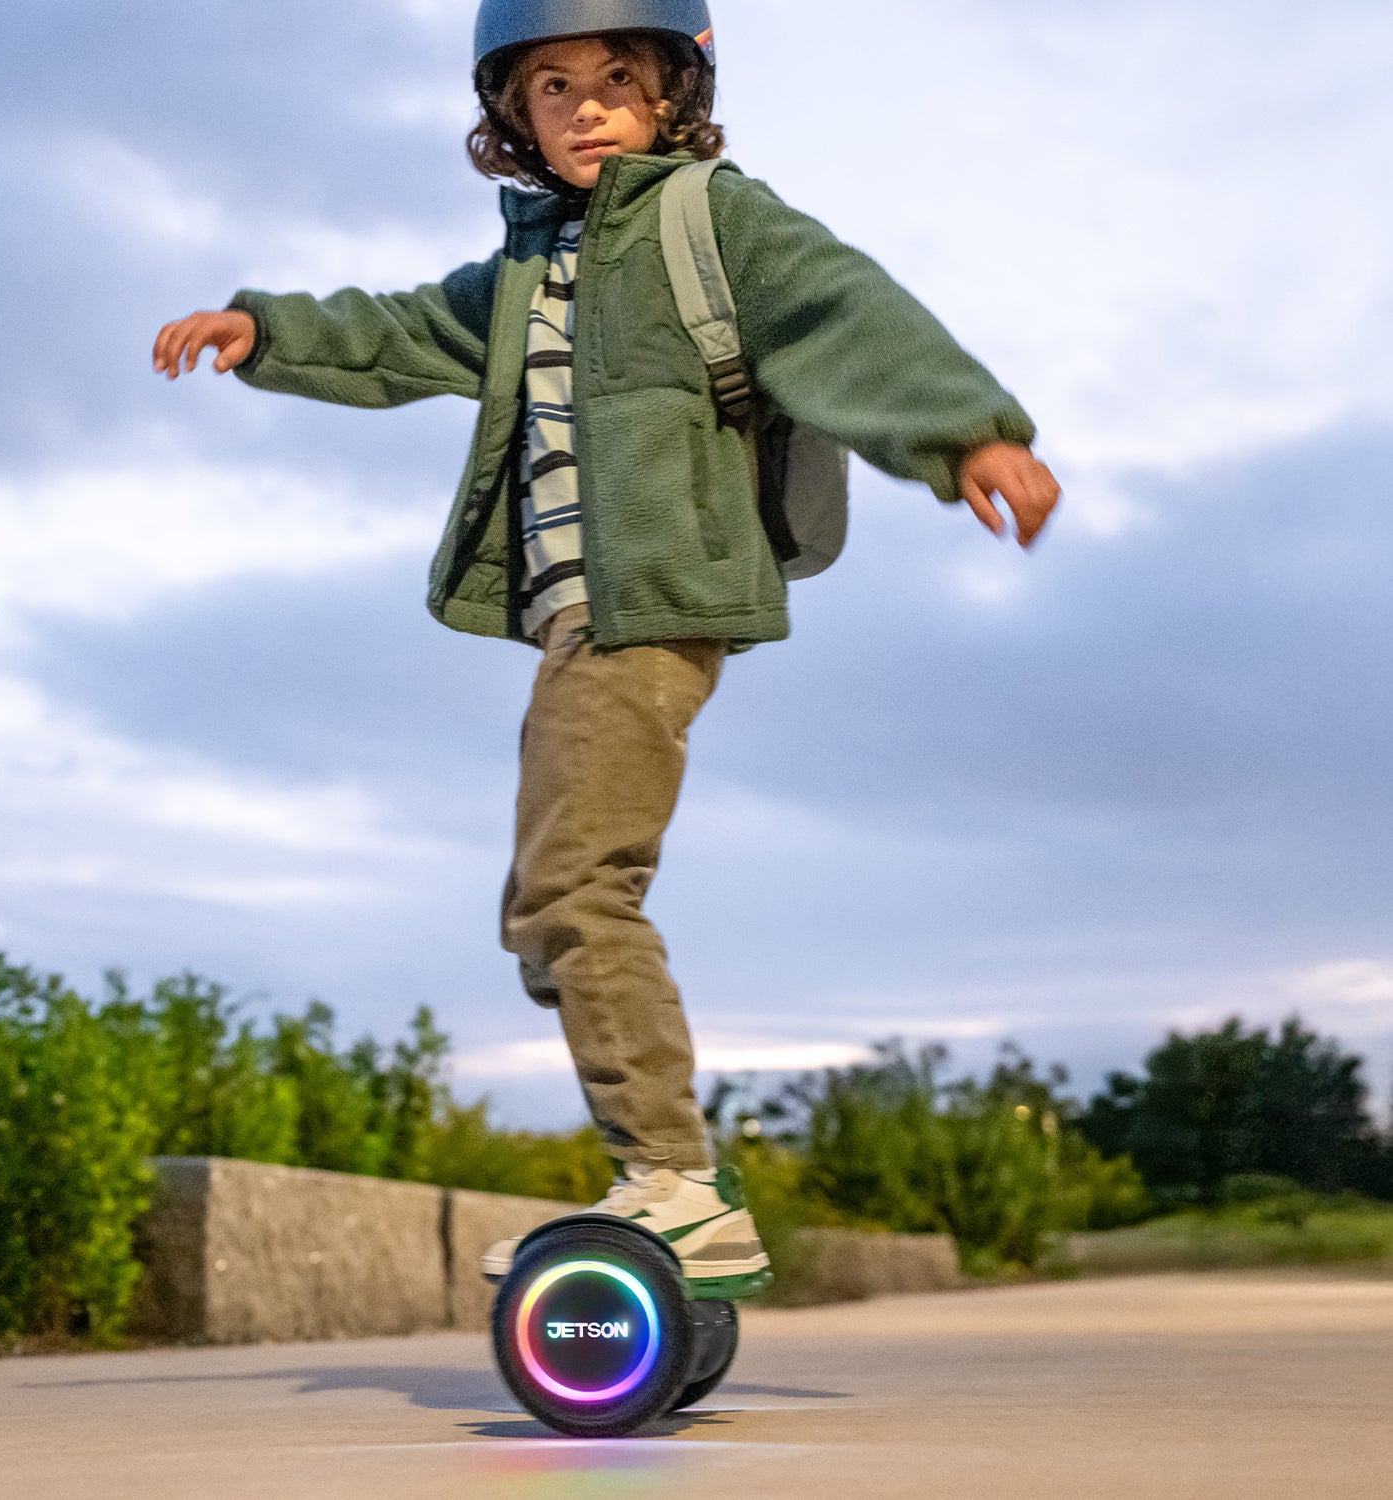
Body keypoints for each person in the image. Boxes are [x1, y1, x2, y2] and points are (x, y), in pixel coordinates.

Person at [152, 0, 1061, 1298]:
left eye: (615, 80)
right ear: (512, 115)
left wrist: (968, 430)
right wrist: (267, 332)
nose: (585, 107)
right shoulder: (530, 270)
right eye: (554, 85)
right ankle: (666, 1174)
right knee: (546, 906)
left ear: (672, 94)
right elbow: (403, 328)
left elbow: (843, 309)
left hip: (656, 603)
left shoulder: (711, 221)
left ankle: (674, 1184)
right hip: (582, 618)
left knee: (579, 887)